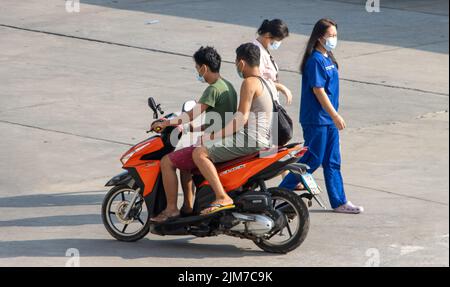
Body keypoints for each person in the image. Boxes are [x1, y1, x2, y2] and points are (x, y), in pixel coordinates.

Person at [279, 18, 364, 214]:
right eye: (330, 35)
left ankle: (339, 201)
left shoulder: (328, 58)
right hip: (316, 119)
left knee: (332, 160)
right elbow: (319, 91)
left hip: (329, 120)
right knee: (312, 159)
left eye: (335, 35)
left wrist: (333, 116)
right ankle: (280, 193)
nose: (334, 39)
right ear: (319, 37)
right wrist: (335, 115)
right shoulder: (315, 60)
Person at [150, 46, 238, 222]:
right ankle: (188, 208)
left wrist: (165, 123)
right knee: (185, 165)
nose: (198, 72)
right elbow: (218, 121)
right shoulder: (228, 86)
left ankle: (171, 209)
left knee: (167, 161)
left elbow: (190, 115)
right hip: (224, 139)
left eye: (197, 68)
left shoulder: (213, 89)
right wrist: (190, 129)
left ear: (204, 68)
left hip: (213, 144)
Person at [192, 43, 276, 215]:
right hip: (267, 138)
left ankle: (222, 196)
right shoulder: (267, 83)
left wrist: (212, 136)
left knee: (199, 153)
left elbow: (241, 118)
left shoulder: (249, 83)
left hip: (252, 139)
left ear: (242, 63)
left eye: (236, 61)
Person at [253, 19, 292, 105]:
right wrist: (281, 87)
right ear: (268, 35)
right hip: (262, 104)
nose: (278, 43)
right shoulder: (256, 52)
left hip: (270, 100)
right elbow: (257, 81)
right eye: (278, 40)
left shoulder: (264, 49)